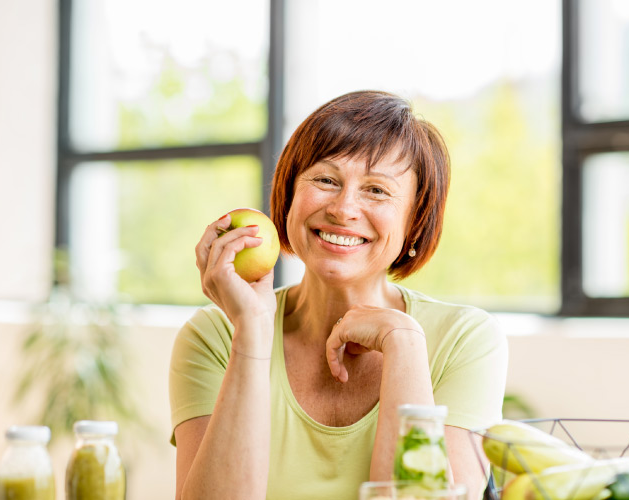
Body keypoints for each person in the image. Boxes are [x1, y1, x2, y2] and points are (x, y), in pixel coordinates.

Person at [169, 90, 508, 500]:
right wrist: (253, 334)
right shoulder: (216, 335)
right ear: (289, 195)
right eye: (326, 180)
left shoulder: (464, 339)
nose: (344, 209)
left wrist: (402, 343)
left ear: (414, 222)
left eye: (377, 190)